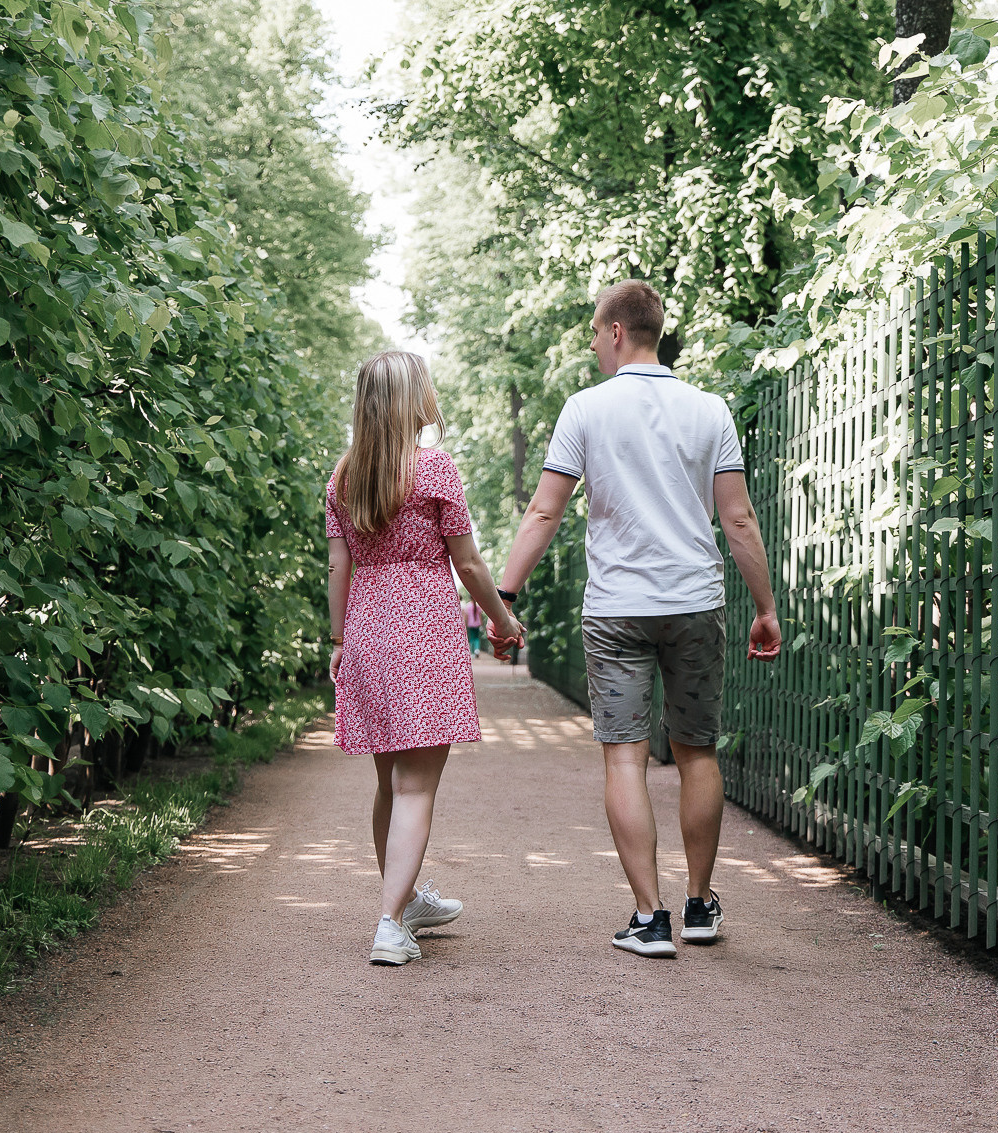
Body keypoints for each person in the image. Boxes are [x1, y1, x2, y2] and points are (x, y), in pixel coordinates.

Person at [495, 280, 780, 959]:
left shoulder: (586, 409)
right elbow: (738, 519)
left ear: (618, 331)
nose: (595, 345)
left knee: (624, 755)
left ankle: (650, 919)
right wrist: (765, 606)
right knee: (696, 751)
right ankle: (700, 906)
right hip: (694, 601)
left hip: (617, 607)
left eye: (597, 334)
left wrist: (504, 595)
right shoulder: (709, 409)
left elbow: (544, 511)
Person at [327, 351, 523, 966]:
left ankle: (405, 900)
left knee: (388, 782)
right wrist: (503, 620)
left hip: (367, 630)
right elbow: (468, 563)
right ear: (412, 402)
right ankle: (390, 923)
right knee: (416, 787)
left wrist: (338, 642)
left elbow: (338, 567)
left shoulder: (344, 478)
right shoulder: (434, 468)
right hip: (424, 634)